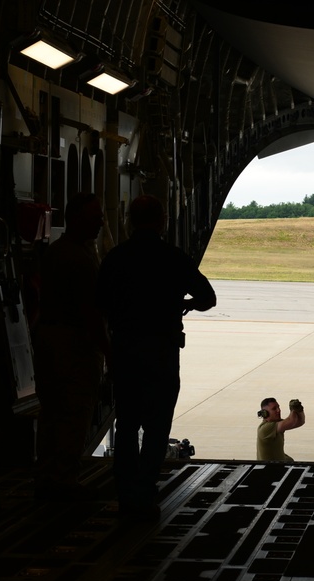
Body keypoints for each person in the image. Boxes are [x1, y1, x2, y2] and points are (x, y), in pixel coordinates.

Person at [97, 194, 217, 521]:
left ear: (129, 220)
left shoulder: (116, 258)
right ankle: (145, 493)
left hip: (125, 350)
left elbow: (99, 306)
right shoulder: (173, 257)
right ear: (163, 220)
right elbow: (208, 297)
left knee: (126, 425)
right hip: (161, 351)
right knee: (157, 426)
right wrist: (186, 305)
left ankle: (125, 496)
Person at [33, 193, 110, 501]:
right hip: (74, 346)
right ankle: (64, 481)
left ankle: (48, 476)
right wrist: (107, 350)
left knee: (52, 413)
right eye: (95, 217)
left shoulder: (56, 252)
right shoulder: (79, 258)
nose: (101, 222)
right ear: (76, 219)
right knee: (74, 413)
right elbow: (90, 312)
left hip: (50, 341)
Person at [256, 397, 306, 461]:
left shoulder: (276, 423)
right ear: (264, 413)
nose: (278, 410)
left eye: (278, 407)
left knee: (289, 460)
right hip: (269, 469)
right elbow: (291, 421)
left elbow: (300, 422)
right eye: (274, 409)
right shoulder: (265, 428)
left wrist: (299, 410)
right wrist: (293, 409)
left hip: (276, 464)